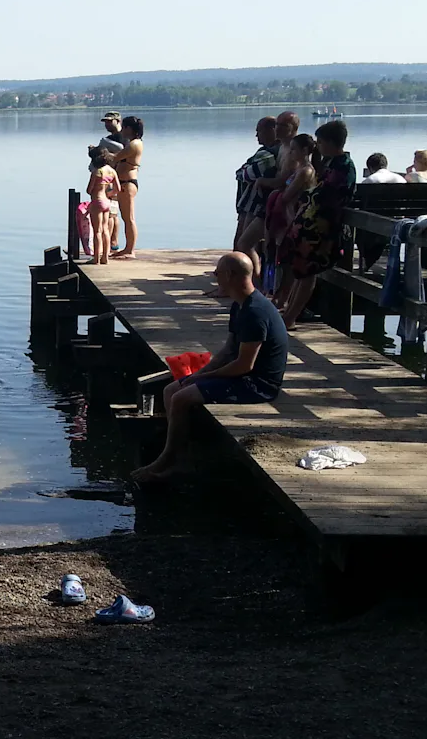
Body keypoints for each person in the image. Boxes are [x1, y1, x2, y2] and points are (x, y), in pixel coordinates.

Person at [133, 252, 288, 482]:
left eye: (217, 273)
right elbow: (228, 351)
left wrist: (207, 377)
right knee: (171, 390)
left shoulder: (255, 312)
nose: (215, 278)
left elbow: (244, 365)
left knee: (180, 398)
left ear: (229, 275)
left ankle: (167, 460)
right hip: (241, 374)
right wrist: (200, 374)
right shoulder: (240, 306)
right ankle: (179, 454)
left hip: (257, 384)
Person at [278, 120, 357, 328]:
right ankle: (289, 311)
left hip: (322, 229)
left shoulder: (344, 167)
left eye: (321, 142)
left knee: (307, 273)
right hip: (309, 226)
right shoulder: (329, 164)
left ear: (331, 142)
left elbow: (330, 198)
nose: (318, 146)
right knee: (300, 270)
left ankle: (290, 317)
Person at [233, 116, 282, 269]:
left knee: (244, 244)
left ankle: (251, 283)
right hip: (252, 204)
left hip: (257, 204)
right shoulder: (265, 151)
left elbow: (245, 174)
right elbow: (243, 172)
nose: (256, 135)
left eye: (259, 131)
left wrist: (245, 171)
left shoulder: (269, 154)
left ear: (271, 130)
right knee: (244, 244)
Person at [106, 115, 144, 259]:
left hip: (128, 183)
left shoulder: (134, 144)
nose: (122, 130)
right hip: (123, 183)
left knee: (129, 218)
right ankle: (126, 248)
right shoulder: (132, 143)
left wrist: (101, 152)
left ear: (129, 128)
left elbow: (115, 158)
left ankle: (130, 250)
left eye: (124, 128)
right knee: (125, 217)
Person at [86, 162, 121, 264]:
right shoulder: (112, 171)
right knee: (105, 230)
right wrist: (108, 193)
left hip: (97, 201)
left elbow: (89, 190)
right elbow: (117, 189)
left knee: (97, 231)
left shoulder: (96, 172)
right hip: (107, 202)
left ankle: (96, 258)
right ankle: (105, 257)